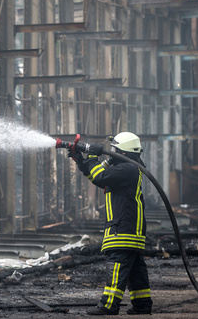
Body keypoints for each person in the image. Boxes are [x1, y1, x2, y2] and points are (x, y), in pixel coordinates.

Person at [69, 132, 152, 316]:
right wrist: (80, 160)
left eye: (114, 149)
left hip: (124, 228)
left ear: (122, 152)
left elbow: (100, 176)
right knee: (135, 271)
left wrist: (91, 156)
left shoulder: (128, 169)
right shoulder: (125, 169)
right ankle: (142, 304)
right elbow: (96, 176)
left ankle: (108, 305)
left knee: (117, 265)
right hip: (130, 228)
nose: (111, 152)